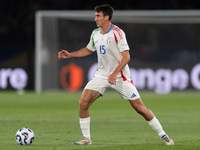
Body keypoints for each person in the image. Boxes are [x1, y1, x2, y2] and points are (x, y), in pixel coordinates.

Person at [58, 4, 174, 146]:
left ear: (106, 17)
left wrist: (114, 73)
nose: (95, 19)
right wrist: (70, 55)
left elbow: (126, 57)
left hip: (120, 77)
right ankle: (86, 138)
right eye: (95, 16)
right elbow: (88, 50)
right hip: (101, 75)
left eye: (98, 16)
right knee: (83, 103)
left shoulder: (118, 33)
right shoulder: (95, 33)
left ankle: (164, 135)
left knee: (140, 108)